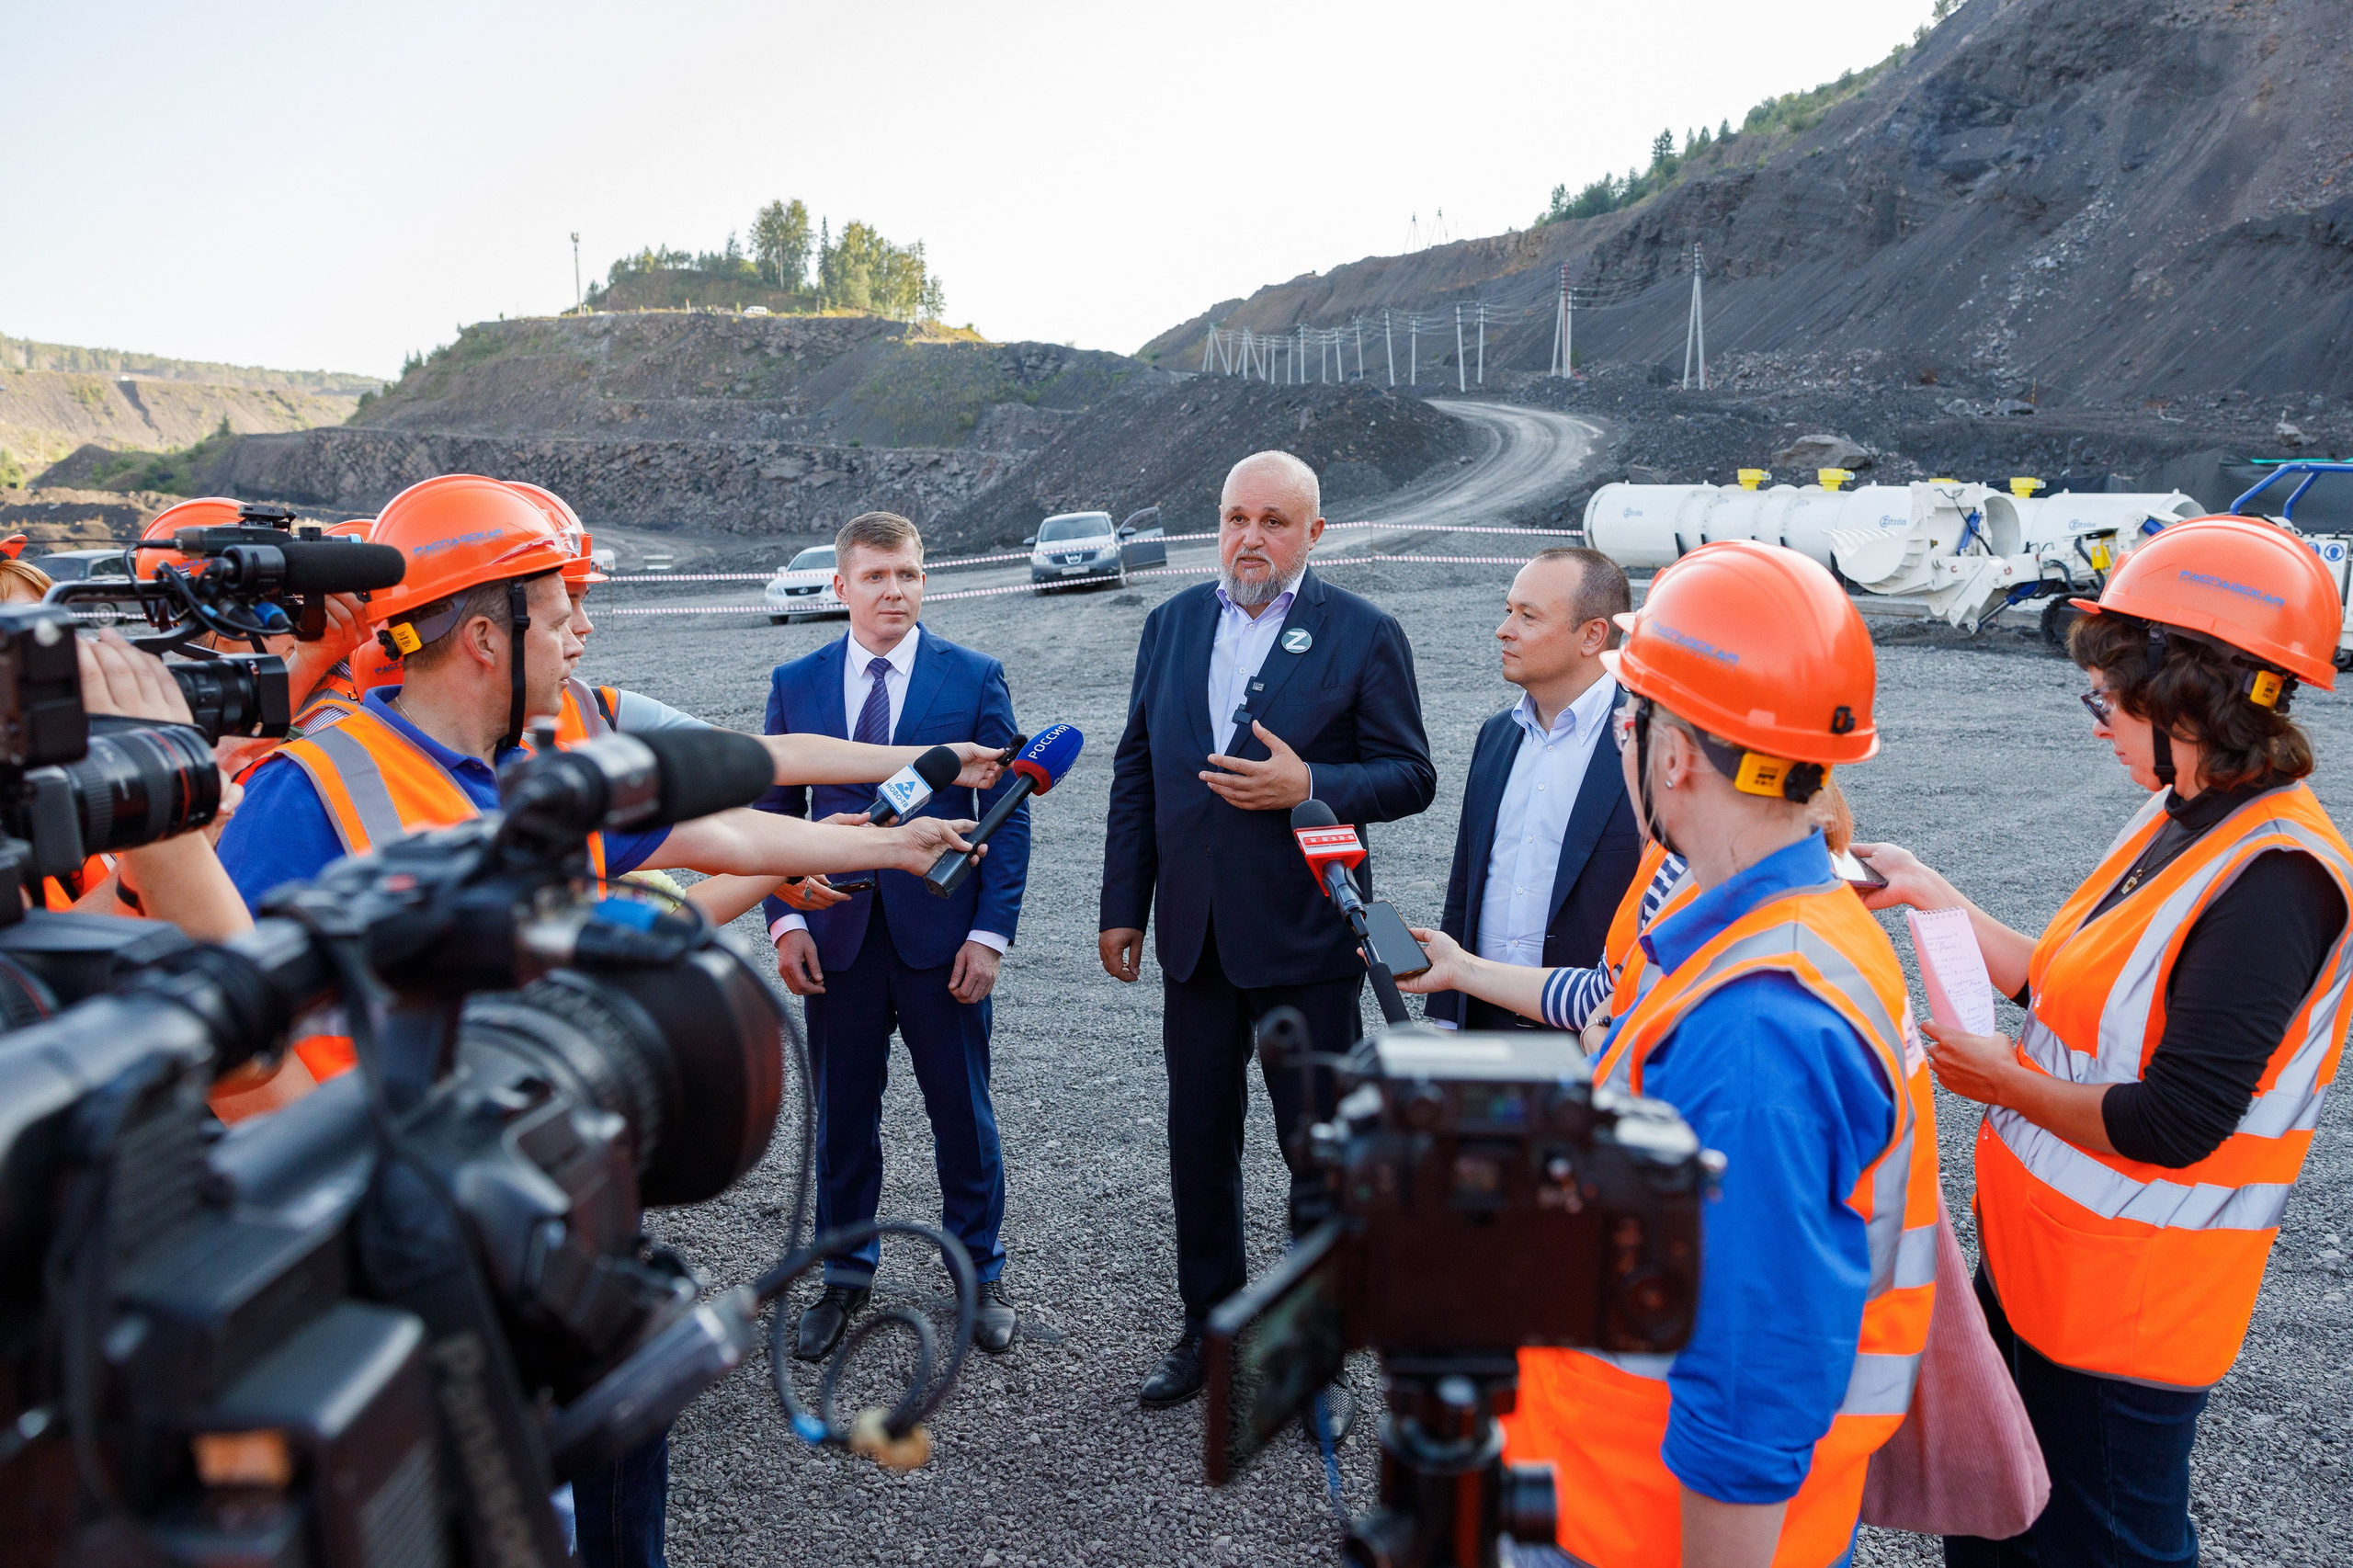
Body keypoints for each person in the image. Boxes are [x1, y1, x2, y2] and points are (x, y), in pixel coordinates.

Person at [1399, 540, 1938, 1568]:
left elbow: (1748, 1387)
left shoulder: (1757, 1025)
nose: (1620, 743)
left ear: (1675, 757)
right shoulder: (1781, 924)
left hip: (1633, 1525)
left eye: (1628, 724)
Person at [1857, 516, 2352, 1568]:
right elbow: (2066, 983)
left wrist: (2001, 1078)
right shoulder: (2181, 812)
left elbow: (2176, 1120)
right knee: (1997, 1526)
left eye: (2105, 699)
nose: (2096, 727)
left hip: (2126, 1313)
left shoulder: (2276, 879)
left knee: (2102, 1545)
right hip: (2040, 1272)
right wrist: (1933, 894)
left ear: (2186, 694)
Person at [215, 473, 980, 915]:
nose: (580, 634)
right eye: (559, 619)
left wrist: (896, 845)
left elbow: (727, 836)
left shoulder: (547, 780)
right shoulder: (304, 793)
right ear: (485, 639)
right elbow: (234, 1058)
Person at [1099, 449, 1437, 1412]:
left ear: (1313, 533)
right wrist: (1124, 904)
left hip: (1307, 940)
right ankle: (1207, 1330)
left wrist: (1311, 784)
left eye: (1273, 522)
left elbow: (1411, 775)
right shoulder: (1170, 624)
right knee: (1199, 1144)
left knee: (1316, 1151)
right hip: (1196, 937)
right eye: (1236, 518)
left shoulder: (1362, 631)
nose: (1250, 538)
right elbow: (1138, 769)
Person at [756, 511, 1030, 1359]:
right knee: (842, 1120)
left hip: (942, 939)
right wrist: (786, 920)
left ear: (924, 580)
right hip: (836, 938)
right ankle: (844, 1277)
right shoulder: (797, 681)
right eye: (875, 577)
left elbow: (1009, 816)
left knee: (963, 1117)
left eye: (907, 575)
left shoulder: (974, 676)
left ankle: (979, 1273)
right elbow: (774, 812)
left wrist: (990, 933)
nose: (894, 592)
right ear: (841, 586)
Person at [1426, 546, 1639, 1032]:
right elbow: (1466, 881)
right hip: (1485, 1019)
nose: (1504, 630)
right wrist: (1448, 1017)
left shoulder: (1646, 741)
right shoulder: (1497, 735)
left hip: (1593, 1030)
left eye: (1528, 616)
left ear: (1592, 636)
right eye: (1508, 611)